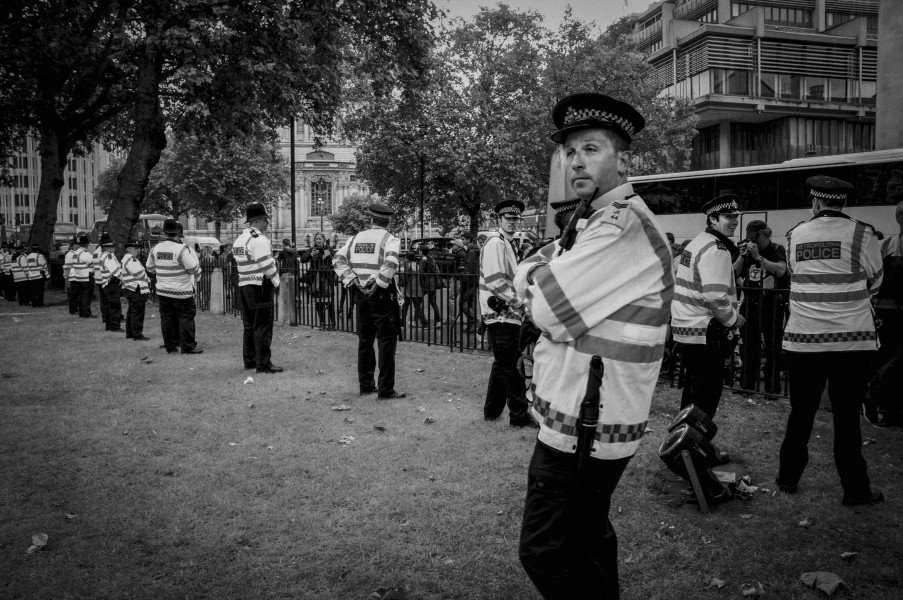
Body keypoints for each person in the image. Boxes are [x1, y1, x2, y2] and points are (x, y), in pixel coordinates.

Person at [515, 92, 673, 600]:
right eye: (569, 152)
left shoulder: (622, 227)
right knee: (587, 538)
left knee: (546, 550)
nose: (576, 161)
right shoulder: (593, 223)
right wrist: (541, 275)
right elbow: (547, 285)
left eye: (591, 149)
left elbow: (545, 309)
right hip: (583, 416)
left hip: (589, 426)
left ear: (621, 158)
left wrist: (534, 274)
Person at [777, 175, 884, 506]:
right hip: (851, 342)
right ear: (843, 203)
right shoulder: (863, 233)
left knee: (801, 412)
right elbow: (875, 279)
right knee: (847, 417)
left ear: (816, 202)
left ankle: (788, 479)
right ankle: (855, 490)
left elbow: (796, 274)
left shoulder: (795, 235)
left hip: (804, 340)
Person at [670, 194, 745, 419]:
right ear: (712, 220)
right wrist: (733, 320)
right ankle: (693, 448)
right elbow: (715, 296)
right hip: (705, 330)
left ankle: (683, 444)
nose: (733, 221)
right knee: (706, 396)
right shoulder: (716, 249)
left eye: (735, 216)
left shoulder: (697, 243)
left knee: (693, 394)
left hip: (688, 328)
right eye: (727, 217)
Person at [333, 203, 405, 399]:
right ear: (388, 220)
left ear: (371, 219)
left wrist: (352, 280)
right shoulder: (390, 239)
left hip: (360, 295)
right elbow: (391, 263)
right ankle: (385, 389)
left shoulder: (355, 238)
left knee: (365, 342)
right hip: (381, 296)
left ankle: (366, 385)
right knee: (386, 342)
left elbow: (337, 260)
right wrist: (379, 283)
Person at [480, 199, 533, 427]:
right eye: (508, 219)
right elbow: (495, 281)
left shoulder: (507, 243)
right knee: (510, 366)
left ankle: (492, 412)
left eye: (515, 219)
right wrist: (519, 303)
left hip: (503, 313)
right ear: (499, 220)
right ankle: (519, 416)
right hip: (501, 312)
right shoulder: (496, 243)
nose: (512, 222)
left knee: (502, 363)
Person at [734, 220, 789, 393]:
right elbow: (734, 273)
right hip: (751, 304)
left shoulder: (776, 249)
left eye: (756, 238)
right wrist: (742, 256)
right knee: (749, 346)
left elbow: (780, 270)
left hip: (772, 305)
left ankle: (773, 388)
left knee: (773, 346)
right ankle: (747, 385)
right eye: (750, 239)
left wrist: (758, 257)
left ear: (765, 235)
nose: (753, 243)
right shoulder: (746, 250)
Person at [233, 202, 283, 373]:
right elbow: (267, 264)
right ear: (259, 220)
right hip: (259, 286)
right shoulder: (258, 239)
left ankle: (250, 360)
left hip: (244, 285)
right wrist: (277, 281)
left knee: (249, 325)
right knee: (262, 325)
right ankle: (263, 363)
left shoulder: (240, 239)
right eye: (266, 220)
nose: (267, 224)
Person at [867, 200, 903, 426]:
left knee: (890, 360)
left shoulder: (887, 246)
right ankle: (885, 405)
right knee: (891, 360)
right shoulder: (887, 246)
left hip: (886, 311)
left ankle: (886, 407)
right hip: (890, 313)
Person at [146, 219, 203, 354]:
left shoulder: (155, 249)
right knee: (185, 317)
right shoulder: (182, 250)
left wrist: (163, 272)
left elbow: (149, 268)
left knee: (166, 318)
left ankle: (170, 347)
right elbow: (194, 268)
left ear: (164, 232)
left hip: (162, 291)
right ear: (177, 232)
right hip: (181, 291)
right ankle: (187, 346)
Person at [300, 232, 336, 330]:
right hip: (315, 281)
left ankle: (332, 323)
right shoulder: (313, 249)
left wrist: (329, 257)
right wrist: (311, 255)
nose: (318, 241)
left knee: (329, 303)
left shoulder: (329, 249)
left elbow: (336, 262)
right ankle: (322, 323)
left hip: (327, 280)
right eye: (317, 239)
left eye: (320, 239)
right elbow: (302, 259)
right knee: (318, 303)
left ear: (324, 240)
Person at [121, 239, 151, 340]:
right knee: (137, 312)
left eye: (138, 248)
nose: (138, 250)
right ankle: (137, 334)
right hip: (135, 288)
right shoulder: (131, 259)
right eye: (135, 248)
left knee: (132, 312)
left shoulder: (128, 258)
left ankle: (130, 333)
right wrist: (148, 279)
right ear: (129, 249)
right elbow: (139, 274)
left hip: (131, 288)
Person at [97, 234, 124, 332]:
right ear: (106, 248)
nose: (114, 247)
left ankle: (109, 325)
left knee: (109, 306)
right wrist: (123, 279)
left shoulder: (105, 256)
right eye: (112, 246)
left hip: (107, 284)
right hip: (112, 283)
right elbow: (116, 271)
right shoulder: (108, 257)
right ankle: (115, 326)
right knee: (115, 306)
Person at [69, 234, 95, 318]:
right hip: (86, 277)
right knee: (87, 296)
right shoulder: (85, 254)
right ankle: (86, 313)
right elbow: (92, 264)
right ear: (87, 244)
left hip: (78, 277)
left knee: (80, 295)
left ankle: (81, 312)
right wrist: (91, 271)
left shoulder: (75, 253)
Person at [422, 245, 444, 328]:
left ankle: (420, 320)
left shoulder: (424, 260)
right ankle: (438, 321)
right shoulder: (432, 259)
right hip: (433, 283)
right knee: (433, 303)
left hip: (426, 284)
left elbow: (421, 272)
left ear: (421, 252)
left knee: (417, 302)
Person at [25, 243, 48, 307]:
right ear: (38, 249)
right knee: (40, 291)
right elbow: (44, 266)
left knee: (33, 291)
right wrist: (47, 275)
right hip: (39, 276)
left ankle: (34, 303)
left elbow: (27, 266)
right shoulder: (40, 256)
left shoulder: (28, 256)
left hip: (31, 276)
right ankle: (40, 303)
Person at [92, 236, 108, 328]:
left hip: (98, 278)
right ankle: (107, 317)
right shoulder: (103, 253)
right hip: (104, 278)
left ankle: (104, 317)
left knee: (102, 300)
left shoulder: (95, 252)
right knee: (107, 299)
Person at [63, 235, 80, 314]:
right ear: (73, 245)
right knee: (73, 295)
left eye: (79, 244)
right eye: (76, 244)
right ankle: (73, 310)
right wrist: (66, 278)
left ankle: (76, 308)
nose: (78, 246)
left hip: (78, 277)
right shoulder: (70, 254)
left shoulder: (78, 253)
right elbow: (67, 267)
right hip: (72, 277)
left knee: (76, 294)